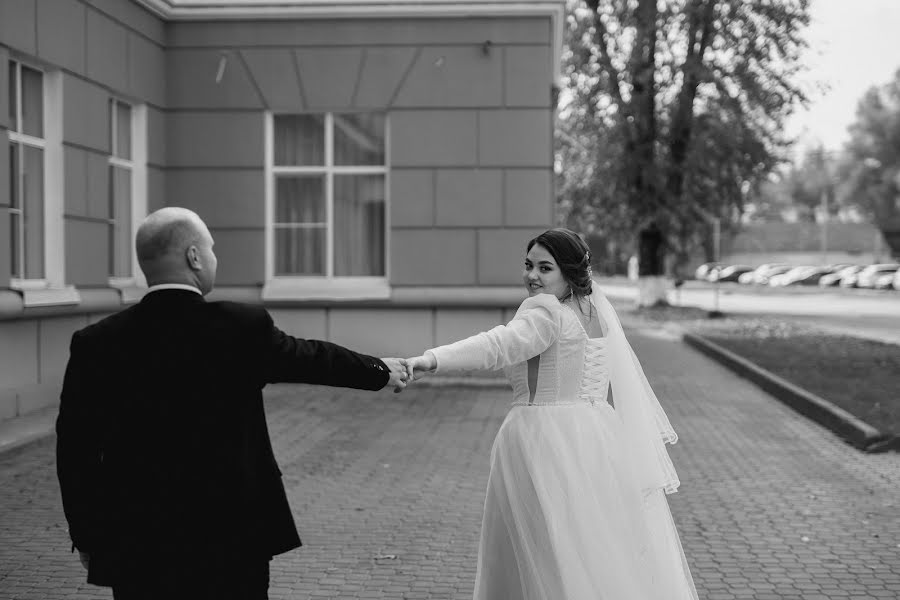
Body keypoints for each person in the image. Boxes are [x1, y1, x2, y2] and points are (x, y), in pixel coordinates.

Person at [56, 207, 410, 599]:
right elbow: (313, 358)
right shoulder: (240, 327)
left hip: (138, 539)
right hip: (233, 535)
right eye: (210, 249)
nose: (214, 259)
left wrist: (87, 534)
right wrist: (380, 370)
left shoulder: (97, 343)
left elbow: (75, 450)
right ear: (193, 257)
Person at [406, 228, 698, 600]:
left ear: (569, 272)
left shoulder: (545, 312)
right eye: (529, 265)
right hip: (597, 438)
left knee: (538, 550)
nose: (532, 276)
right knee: (589, 547)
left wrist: (432, 359)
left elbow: (498, 345)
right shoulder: (596, 312)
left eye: (545, 268)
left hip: (541, 439)